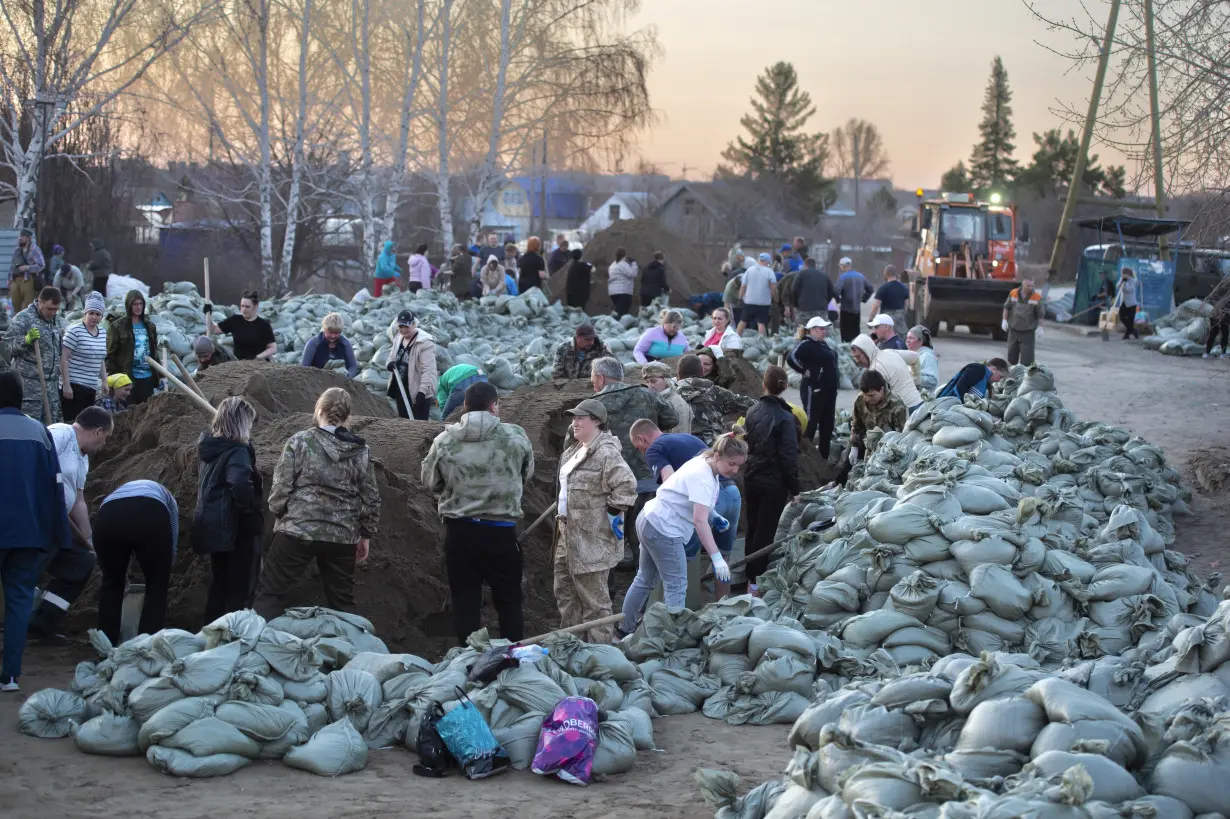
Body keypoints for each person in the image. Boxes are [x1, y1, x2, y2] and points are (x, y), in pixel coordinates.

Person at [423, 381, 533, 643]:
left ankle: (468, 659)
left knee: (465, 600)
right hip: (501, 533)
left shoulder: (444, 440)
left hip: (460, 532)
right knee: (509, 600)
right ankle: (512, 658)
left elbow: (431, 481)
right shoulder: (516, 436)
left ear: (464, 406)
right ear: (494, 405)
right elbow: (526, 474)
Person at [256, 388, 380, 620]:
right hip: (342, 535)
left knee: (270, 596)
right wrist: (365, 535)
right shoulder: (361, 451)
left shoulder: (300, 441)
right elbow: (371, 498)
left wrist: (281, 514)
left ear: (319, 410)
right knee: (342, 605)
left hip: (299, 530)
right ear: (347, 416)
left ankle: (260, 646)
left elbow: (281, 488)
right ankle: (349, 650)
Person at [620, 431, 741, 632]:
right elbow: (699, 521)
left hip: (649, 518)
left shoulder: (704, 460)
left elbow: (694, 500)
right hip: (664, 529)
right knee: (676, 586)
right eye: (732, 464)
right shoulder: (703, 476)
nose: (735, 470)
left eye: (739, 465)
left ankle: (624, 630)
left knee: (644, 579)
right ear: (718, 456)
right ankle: (672, 638)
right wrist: (717, 559)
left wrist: (714, 516)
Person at [0, 371, 72, 691]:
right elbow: (55, 487)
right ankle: (11, 676)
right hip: (29, 533)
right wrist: (60, 534)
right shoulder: (39, 432)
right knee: (18, 602)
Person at [551, 399, 636, 643]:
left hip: (591, 541)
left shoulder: (606, 453)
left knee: (595, 601)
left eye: (581, 418)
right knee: (565, 593)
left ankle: (601, 652)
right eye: (573, 418)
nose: (575, 422)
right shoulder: (573, 451)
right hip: (566, 535)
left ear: (597, 421)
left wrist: (607, 515)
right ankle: (572, 644)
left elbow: (626, 487)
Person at [28, 407, 114, 643]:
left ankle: (41, 625)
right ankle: (16, 621)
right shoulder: (60, 433)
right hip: (36, 518)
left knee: (81, 562)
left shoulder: (82, 458)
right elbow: (33, 468)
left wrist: (89, 541)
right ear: (98, 432)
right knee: (26, 571)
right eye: (106, 438)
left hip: (56, 526)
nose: (104, 445)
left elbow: (78, 501)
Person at [193, 396, 263, 623]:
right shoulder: (237, 452)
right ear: (243, 424)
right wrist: (250, 510)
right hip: (234, 526)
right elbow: (240, 484)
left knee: (220, 583)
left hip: (212, 525)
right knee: (239, 586)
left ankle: (211, 631)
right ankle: (232, 636)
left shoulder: (211, 448)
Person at [92, 480, 179, 644]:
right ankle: (147, 648)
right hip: (151, 513)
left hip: (108, 517)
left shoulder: (113, 496)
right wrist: (166, 564)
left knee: (111, 585)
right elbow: (172, 530)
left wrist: (112, 570)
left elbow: (104, 549)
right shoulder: (167, 497)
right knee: (156, 587)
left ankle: (104, 648)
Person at [742, 366, 800, 590]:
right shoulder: (786, 418)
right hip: (773, 482)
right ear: (784, 387)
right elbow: (788, 457)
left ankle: (748, 572)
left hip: (751, 476)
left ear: (763, 385)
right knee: (766, 531)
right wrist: (794, 489)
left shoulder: (752, 410)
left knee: (753, 526)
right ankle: (756, 581)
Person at [588, 356, 678, 481]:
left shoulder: (592, 405)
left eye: (593, 382)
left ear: (601, 378)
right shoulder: (647, 394)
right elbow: (672, 418)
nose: (594, 388)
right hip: (649, 472)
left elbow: (576, 440)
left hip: (611, 477)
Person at [4, 286, 65, 422]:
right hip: (30, 387)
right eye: (50, 309)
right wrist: (25, 340)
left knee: (50, 427)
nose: (53, 313)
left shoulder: (57, 321)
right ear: (40, 302)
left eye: (56, 309)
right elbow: (8, 347)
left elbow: (59, 351)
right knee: (30, 425)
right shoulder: (23, 318)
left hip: (51, 387)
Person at [787, 316, 839, 456]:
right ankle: (803, 456)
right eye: (821, 329)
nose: (824, 331)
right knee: (811, 423)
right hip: (814, 390)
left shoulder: (823, 344)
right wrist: (804, 370)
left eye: (825, 328)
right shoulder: (806, 344)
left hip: (829, 392)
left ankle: (823, 460)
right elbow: (791, 357)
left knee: (827, 426)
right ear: (812, 330)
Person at [675, 354, 754, 445]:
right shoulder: (717, 392)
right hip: (714, 448)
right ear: (701, 372)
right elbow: (750, 405)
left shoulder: (671, 395)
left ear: (678, 374)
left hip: (682, 446)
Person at [60, 291, 109, 422]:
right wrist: (66, 384)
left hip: (91, 386)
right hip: (74, 386)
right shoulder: (75, 331)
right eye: (91, 313)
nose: (94, 317)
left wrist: (104, 381)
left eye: (98, 314)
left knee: (86, 423)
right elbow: (63, 358)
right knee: (73, 423)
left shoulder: (103, 333)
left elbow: (100, 359)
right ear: (85, 313)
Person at [105, 289, 158, 406]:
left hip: (147, 377)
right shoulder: (117, 326)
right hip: (127, 377)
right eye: (135, 304)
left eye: (140, 304)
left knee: (146, 412)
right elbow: (110, 354)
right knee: (129, 413)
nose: (138, 307)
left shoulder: (149, 326)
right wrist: (113, 377)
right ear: (129, 305)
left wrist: (160, 375)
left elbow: (154, 350)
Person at [850, 333, 923, 413]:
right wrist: (916, 381)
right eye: (854, 358)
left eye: (858, 357)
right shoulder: (889, 352)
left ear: (867, 351)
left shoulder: (875, 369)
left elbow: (875, 397)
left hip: (905, 410)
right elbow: (915, 356)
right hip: (919, 403)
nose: (857, 361)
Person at [386, 309, 437, 420]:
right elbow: (391, 357)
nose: (403, 330)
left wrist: (422, 392)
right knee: (404, 424)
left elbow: (428, 370)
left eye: (406, 326)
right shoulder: (398, 338)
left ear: (414, 324)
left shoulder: (424, 343)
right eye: (401, 327)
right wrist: (389, 364)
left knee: (418, 426)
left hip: (417, 392)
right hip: (401, 388)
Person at [848, 369, 908, 466]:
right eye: (865, 395)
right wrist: (854, 447)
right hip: (866, 441)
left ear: (881, 389)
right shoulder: (860, 399)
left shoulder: (896, 406)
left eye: (872, 395)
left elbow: (901, 437)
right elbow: (856, 425)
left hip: (888, 447)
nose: (867, 399)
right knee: (849, 461)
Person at [206, 290, 277, 361]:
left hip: (258, 363)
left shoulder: (264, 325)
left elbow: (272, 348)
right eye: (242, 306)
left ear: (255, 307)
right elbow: (214, 329)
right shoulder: (235, 320)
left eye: (247, 307)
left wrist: (259, 357)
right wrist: (208, 315)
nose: (244, 309)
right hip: (238, 363)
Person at [300, 312, 360, 378]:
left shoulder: (345, 344)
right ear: (324, 329)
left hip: (340, 379)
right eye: (330, 333)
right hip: (316, 379)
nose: (333, 336)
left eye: (336, 333)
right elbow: (304, 367)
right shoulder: (314, 343)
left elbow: (353, 366)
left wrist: (347, 377)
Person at [1002, 277, 1044, 364]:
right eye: (1028, 286)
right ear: (1023, 285)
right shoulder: (1013, 293)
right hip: (1013, 330)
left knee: (1027, 359)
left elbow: (1040, 314)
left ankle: (1026, 376)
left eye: (1032, 286)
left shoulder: (1036, 297)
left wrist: (1040, 327)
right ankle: (1012, 375)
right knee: (1011, 356)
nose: (1031, 288)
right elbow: (1007, 307)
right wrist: (1004, 320)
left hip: (1027, 333)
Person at [642, 361, 691, 434]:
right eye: (647, 382)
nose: (650, 386)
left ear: (666, 381)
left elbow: (680, 436)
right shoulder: (653, 400)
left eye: (654, 381)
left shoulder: (677, 404)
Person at [737, 253, 777, 336]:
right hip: (763, 302)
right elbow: (773, 287)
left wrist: (740, 298)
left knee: (743, 321)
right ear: (768, 262)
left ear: (759, 260)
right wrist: (775, 298)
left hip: (749, 301)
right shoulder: (769, 271)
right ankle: (763, 343)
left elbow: (743, 286)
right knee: (761, 324)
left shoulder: (749, 270)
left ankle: (735, 339)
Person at [836, 257, 874, 343]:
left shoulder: (842, 277)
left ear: (843, 266)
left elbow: (836, 291)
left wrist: (839, 300)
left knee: (845, 337)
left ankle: (847, 354)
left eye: (840, 266)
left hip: (845, 310)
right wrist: (863, 299)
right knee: (856, 336)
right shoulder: (860, 276)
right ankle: (856, 354)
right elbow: (870, 289)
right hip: (857, 311)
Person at [8, 228, 45, 313]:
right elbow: (12, 265)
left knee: (27, 305)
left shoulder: (34, 250)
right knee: (15, 303)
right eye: (19, 236)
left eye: (22, 236)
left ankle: (27, 324)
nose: (20, 238)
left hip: (27, 279)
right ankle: (16, 324)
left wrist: (27, 268)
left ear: (28, 238)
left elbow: (41, 265)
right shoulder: (17, 250)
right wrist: (9, 279)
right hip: (15, 279)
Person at [938, 358, 1009, 401]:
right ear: (994, 369)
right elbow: (960, 387)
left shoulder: (986, 383)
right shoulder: (978, 370)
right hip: (949, 404)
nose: (999, 380)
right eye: (1000, 376)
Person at [793, 256, 835, 328]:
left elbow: (794, 290)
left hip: (804, 309)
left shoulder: (801, 274)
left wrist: (796, 304)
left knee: (802, 331)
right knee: (819, 332)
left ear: (805, 265)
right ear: (815, 265)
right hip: (821, 310)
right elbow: (832, 292)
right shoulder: (824, 276)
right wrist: (825, 302)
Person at [870, 266, 911, 337]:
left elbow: (876, 306)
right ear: (896, 274)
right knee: (901, 338)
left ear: (885, 274)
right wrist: (902, 314)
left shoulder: (883, 288)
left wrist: (871, 318)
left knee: (884, 339)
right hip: (899, 317)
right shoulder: (904, 287)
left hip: (886, 319)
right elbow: (907, 304)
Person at [906, 325, 939, 393]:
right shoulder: (912, 354)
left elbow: (932, 381)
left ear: (920, 341)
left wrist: (912, 377)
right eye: (907, 338)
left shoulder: (927, 356)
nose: (907, 341)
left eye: (911, 338)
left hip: (923, 399)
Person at [607, 247, 637, 317]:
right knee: (622, 312)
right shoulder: (623, 264)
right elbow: (632, 274)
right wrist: (634, 264)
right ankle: (617, 325)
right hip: (623, 291)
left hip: (612, 291)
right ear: (625, 255)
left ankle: (615, 323)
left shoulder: (612, 265)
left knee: (618, 310)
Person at [1116, 267, 1141, 340]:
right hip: (1123, 302)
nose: (1123, 275)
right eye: (1122, 273)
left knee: (1130, 320)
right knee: (1122, 317)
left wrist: (1125, 282)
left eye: (1124, 273)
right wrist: (1121, 281)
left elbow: (1129, 289)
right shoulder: (1122, 279)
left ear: (1128, 274)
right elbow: (1117, 286)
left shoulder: (1132, 281)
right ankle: (1133, 330)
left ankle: (1127, 334)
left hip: (1131, 303)